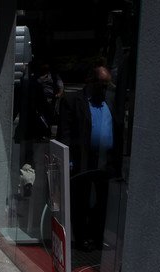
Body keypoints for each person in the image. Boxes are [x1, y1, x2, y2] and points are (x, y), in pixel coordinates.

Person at [57, 65, 120, 251]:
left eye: (107, 85)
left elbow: (117, 131)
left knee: (102, 201)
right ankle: (81, 237)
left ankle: (97, 237)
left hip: (104, 160)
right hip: (82, 159)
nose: (104, 89)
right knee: (81, 199)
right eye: (100, 84)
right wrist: (66, 159)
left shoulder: (110, 102)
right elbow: (65, 133)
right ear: (90, 81)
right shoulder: (73, 100)